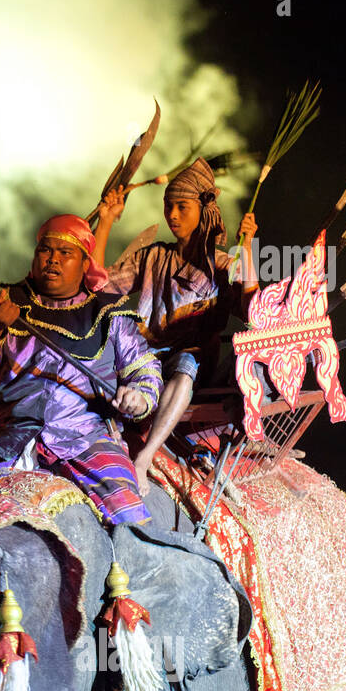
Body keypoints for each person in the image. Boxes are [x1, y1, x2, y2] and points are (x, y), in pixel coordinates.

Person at [0, 214, 162, 525]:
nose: (52, 260)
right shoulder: (6, 304)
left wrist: (139, 398)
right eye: (45, 250)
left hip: (86, 440)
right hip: (11, 439)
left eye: (65, 253)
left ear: (85, 263)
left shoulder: (109, 312)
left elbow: (145, 370)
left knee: (130, 516)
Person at [91, 158, 257, 490]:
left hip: (191, 359)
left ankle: (145, 456)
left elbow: (254, 312)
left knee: (185, 365)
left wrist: (248, 248)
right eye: (169, 206)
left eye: (182, 206)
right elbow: (98, 287)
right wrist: (107, 220)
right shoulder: (152, 257)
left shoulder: (223, 264)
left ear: (204, 210)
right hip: (145, 354)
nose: (173, 214)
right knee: (102, 343)